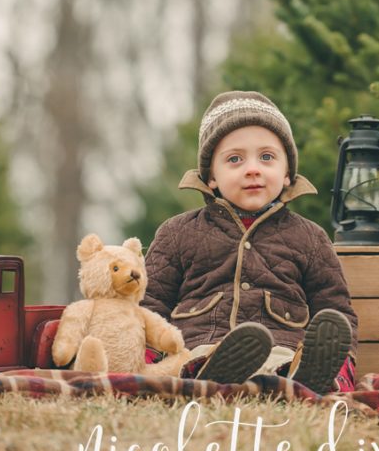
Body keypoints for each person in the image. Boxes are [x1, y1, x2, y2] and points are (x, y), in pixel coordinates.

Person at [143, 90, 359, 391]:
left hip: (282, 352)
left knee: (288, 362)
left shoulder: (309, 237)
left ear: (287, 173)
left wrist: (342, 362)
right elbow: (150, 303)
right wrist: (148, 358)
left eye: (267, 157)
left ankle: (307, 380)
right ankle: (210, 377)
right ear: (211, 178)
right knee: (192, 362)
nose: (253, 169)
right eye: (234, 159)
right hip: (201, 349)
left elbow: (334, 307)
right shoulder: (178, 232)